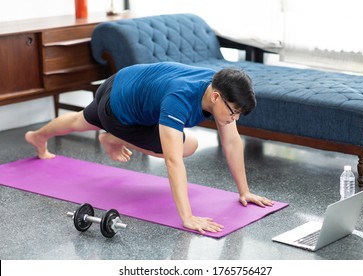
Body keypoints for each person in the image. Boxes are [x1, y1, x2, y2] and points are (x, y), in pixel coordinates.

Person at [25, 62, 273, 234]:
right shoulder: (179, 99)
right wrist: (187, 217)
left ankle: (37, 136)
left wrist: (245, 191)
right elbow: (173, 160)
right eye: (234, 112)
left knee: (80, 121)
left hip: (119, 83)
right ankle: (112, 138)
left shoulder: (218, 83)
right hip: (119, 111)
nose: (235, 119)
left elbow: (231, 141)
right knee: (188, 146)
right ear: (217, 97)